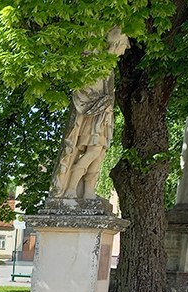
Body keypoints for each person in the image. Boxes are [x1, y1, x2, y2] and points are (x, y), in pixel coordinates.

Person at [51, 27, 129, 199]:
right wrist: (103, 102)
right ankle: (71, 188)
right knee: (93, 152)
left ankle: (88, 191)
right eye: (123, 44)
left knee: (99, 154)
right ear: (115, 43)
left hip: (103, 117)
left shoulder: (107, 69)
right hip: (93, 118)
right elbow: (84, 95)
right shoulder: (94, 66)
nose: (124, 50)